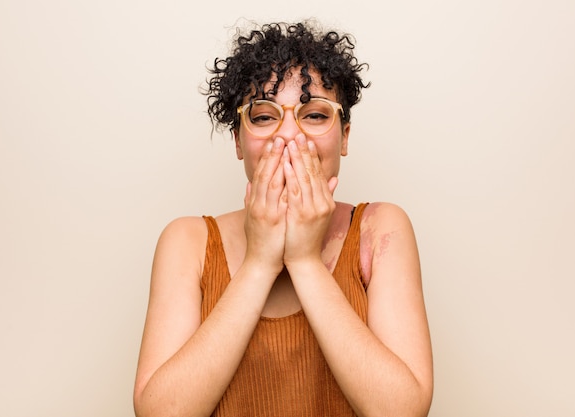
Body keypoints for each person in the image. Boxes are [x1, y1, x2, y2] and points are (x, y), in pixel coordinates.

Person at [133, 21, 433, 417]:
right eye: (263, 116)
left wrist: (305, 261)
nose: (289, 136)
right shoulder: (186, 241)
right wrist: (259, 262)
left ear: (344, 137)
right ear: (238, 141)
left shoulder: (381, 230)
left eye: (313, 115)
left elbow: (402, 411)